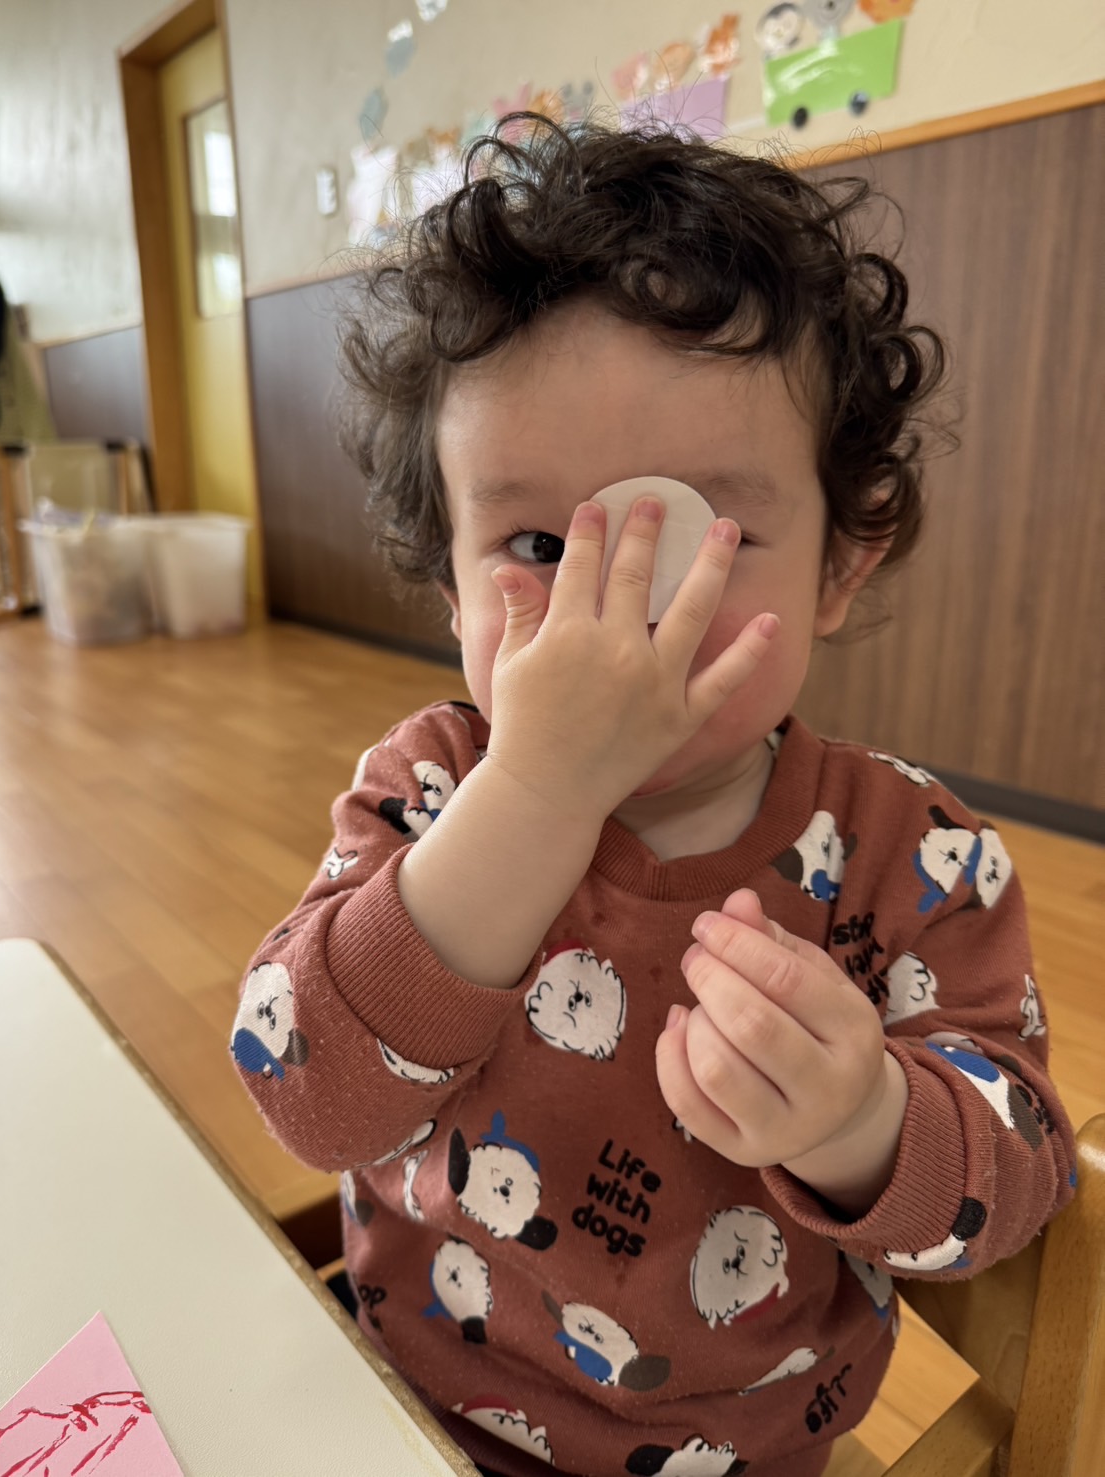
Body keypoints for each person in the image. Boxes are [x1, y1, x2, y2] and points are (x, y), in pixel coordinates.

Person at [230, 118, 1075, 1477]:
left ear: (840, 564)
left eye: (699, 542)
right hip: (404, 1413)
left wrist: (863, 1124)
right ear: (449, 588)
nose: (613, 616)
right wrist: (532, 794)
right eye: (538, 543)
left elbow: (1018, 1184)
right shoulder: (435, 785)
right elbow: (306, 1094)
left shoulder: (914, 858)